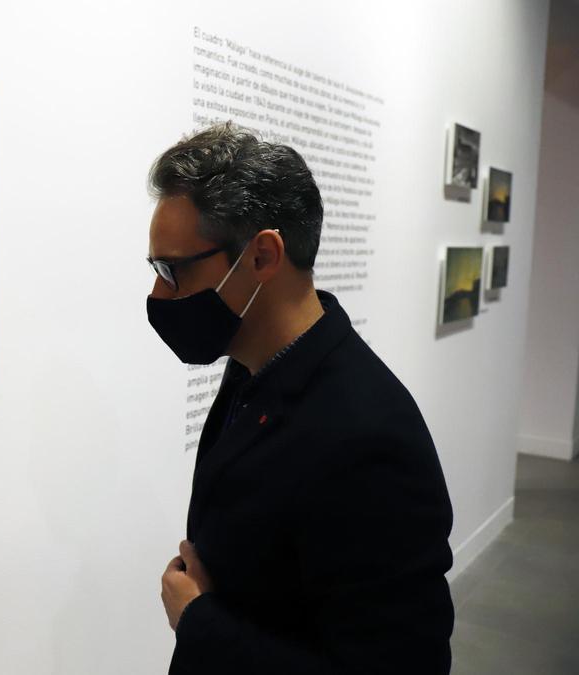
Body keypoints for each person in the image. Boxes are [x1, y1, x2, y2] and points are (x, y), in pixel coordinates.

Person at [146, 122, 454, 674]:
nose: (158, 294)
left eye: (174, 270)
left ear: (263, 256)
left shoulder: (369, 434)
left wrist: (200, 624)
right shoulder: (251, 369)